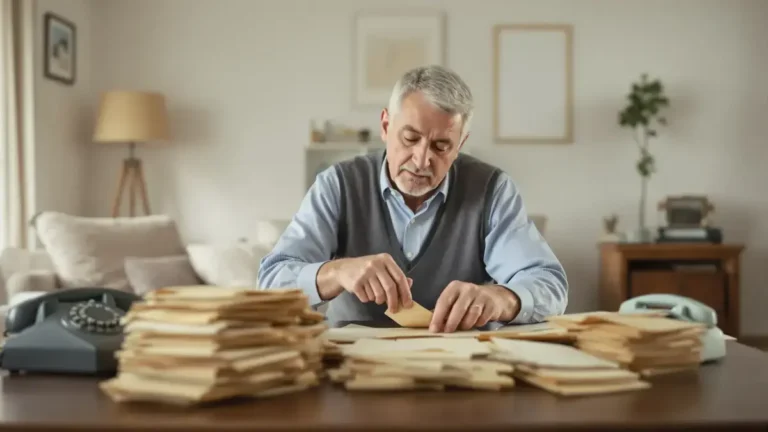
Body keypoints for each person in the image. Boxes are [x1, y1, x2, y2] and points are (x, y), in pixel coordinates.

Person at [258, 65, 568, 333]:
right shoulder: (337, 185)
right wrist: (337, 272)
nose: (421, 160)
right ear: (385, 126)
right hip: (351, 364)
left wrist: (501, 298)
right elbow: (271, 282)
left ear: (461, 143)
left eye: (441, 146)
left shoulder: (492, 190)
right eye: (410, 139)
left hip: (460, 367)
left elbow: (550, 284)